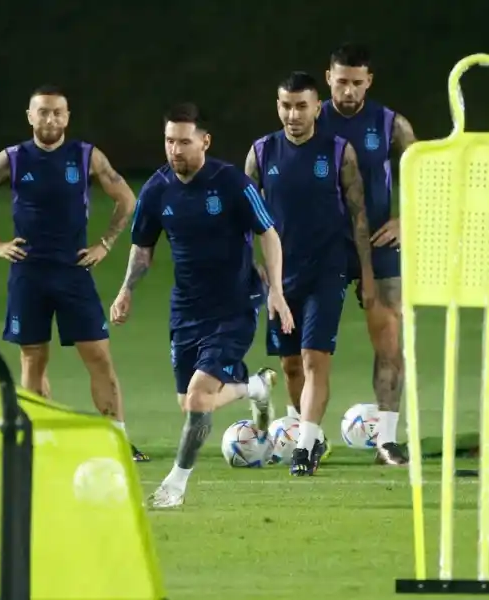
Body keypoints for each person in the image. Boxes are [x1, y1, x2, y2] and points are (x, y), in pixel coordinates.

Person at [111, 102, 291, 507]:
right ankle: (254, 387)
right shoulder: (157, 189)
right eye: (169, 141)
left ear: (205, 141)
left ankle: (174, 486)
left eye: (184, 142)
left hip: (235, 306)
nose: (175, 150)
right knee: (190, 404)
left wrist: (276, 291)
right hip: (187, 310)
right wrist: (126, 290)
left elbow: (268, 233)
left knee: (198, 397)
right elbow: (143, 248)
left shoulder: (232, 183)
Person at [0, 84, 149, 462]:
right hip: (28, 275)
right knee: (33, 359)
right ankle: (37, 440)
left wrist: (105, 243)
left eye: (57, 112)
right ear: (30, 117)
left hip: (73, 273)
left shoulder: (86, 156)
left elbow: (127, 199)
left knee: (98, 356)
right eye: (43, 111)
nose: (50, 119)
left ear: (67, 117)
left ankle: (117, 439)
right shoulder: (13, 158)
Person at [245, 72, 376, 477]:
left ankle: (304, 448)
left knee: (314, 358)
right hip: (281, 279)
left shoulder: (337, 152)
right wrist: (254, 267)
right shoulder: (262, 152)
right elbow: (241, 216)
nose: (293, 114)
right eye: (286, 106)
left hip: (327, 271)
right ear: (278, 107)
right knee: (290, 366)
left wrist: (367, 273)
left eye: (302, 106)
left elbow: (358, 216)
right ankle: (310, 434)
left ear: (317, 108)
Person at [316, 43, 417, 466]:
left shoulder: (390, 124)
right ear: (328, 78)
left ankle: (387, 441)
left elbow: (427, 173)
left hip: (379, 244)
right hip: (325, 246)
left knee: (390, 339)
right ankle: (305, 437)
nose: (349, 91)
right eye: (341, 81)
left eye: (357, 83)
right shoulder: (310, 119)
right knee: (309, 347)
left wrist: (406, 220)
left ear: (369, 81)